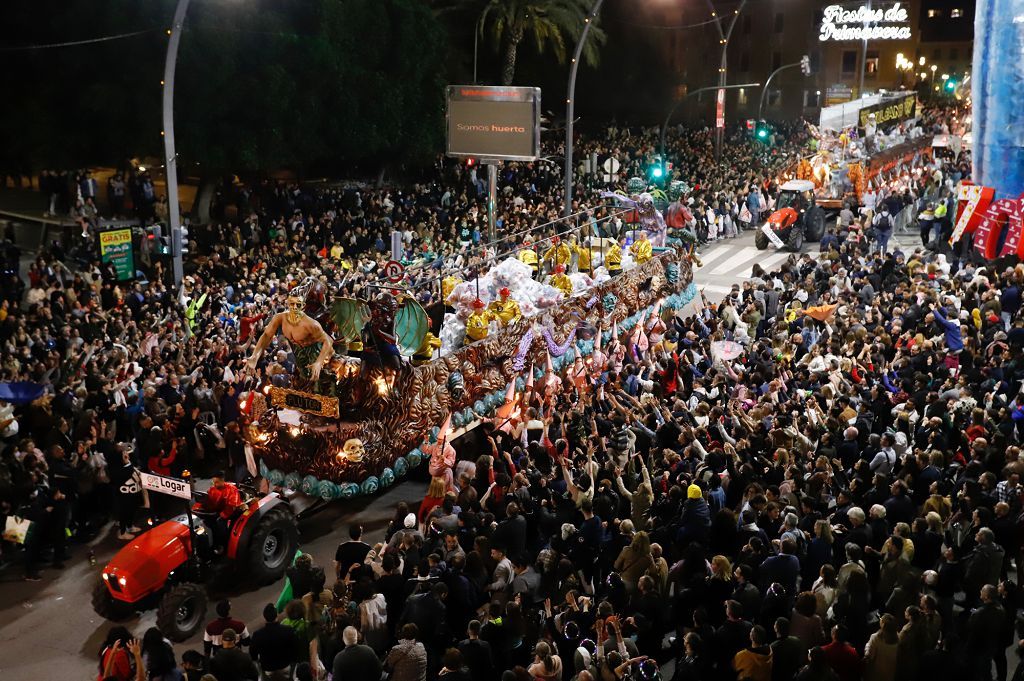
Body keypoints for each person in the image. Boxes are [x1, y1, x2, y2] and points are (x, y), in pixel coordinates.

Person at [249, 603, 299, 679]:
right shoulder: (288, 630)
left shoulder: (257, 634)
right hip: (285, 665)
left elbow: (253, 654)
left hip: (268, 668)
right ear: (276, 615)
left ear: (264, 617)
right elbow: (295, 649)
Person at [203, 471, 242, 551]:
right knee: (207, 521)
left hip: (232, 511)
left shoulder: (232, 489)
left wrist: (222, 515)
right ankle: (213, 542)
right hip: (218, 511)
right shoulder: (212, 489)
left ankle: (225, 543)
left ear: (222, 480)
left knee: (220, 522)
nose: (214, 485)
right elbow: (209, 502)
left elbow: (232, 507)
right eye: (213, 482)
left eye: (216, 482)